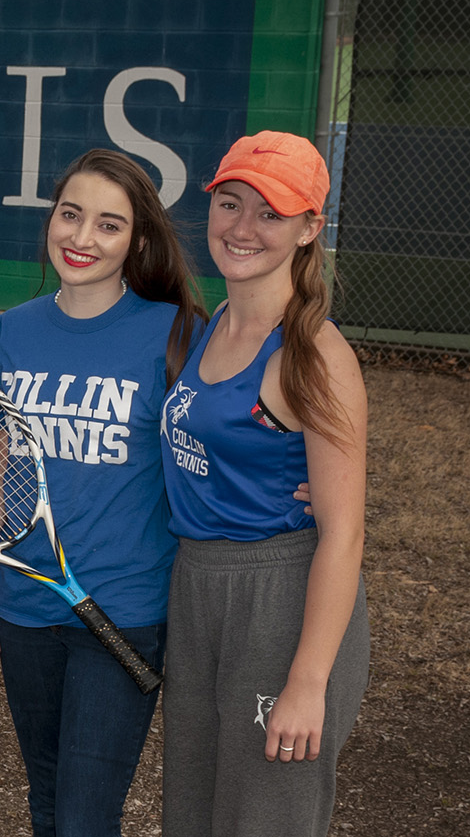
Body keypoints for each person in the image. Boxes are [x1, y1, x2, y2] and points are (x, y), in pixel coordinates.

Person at [159, 132, 370, 836]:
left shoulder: (315, 352)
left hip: (278, 598)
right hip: (198, 590)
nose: (243, 228)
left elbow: (343, 532)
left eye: (271, 213)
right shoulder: (213, 322)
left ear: (310, 228)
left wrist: (308, 682)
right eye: (230, 203)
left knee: (264, 819)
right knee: (193, 812)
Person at [0, 149, 204, 837]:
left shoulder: (176, 333)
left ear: (138, 241)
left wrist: (301, 485)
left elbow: (226, 439)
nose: (81, 239)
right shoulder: (11, 330)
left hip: (124, 608)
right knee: (48, 802)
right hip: (26, 605)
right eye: (70, 215)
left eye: (108, 226)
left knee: (85, 817)